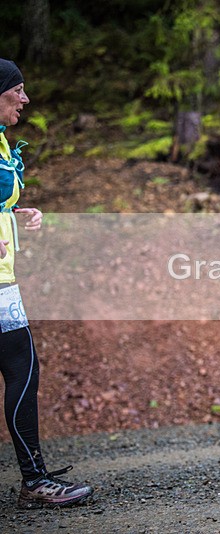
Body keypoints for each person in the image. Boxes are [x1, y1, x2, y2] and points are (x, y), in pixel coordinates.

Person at [0, 58, 94, 508]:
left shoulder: (0, 141)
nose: (25, 99)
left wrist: (16, 215)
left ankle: (34, 479)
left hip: (4, 282)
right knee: (22, 371)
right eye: (16, 90)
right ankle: (34, 480)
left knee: (23, 370)